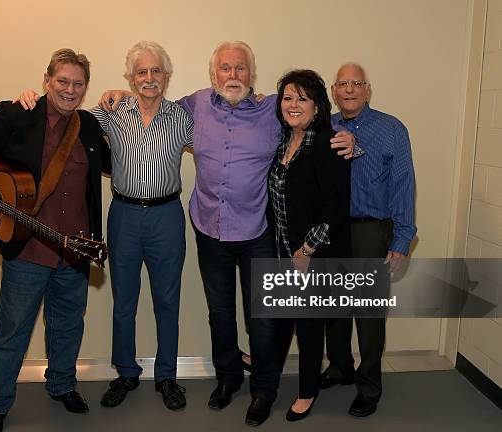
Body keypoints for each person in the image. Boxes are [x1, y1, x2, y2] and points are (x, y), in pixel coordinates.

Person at [97, 40, 355, 426]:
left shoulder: (273, 109)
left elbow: (311, 123)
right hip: (209, 229)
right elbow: (151, 100)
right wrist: (118, 93)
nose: (232, 75)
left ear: (251, 74)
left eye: (239, 68)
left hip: (257, 232)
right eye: (224, 68)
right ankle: (228, 379)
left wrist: (348, 138)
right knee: (220, 313)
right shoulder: (195, 106)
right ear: (212, 73)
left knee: (262, 317)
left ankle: (264, 390)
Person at [16, 41, 192, 411]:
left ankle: (166, 376)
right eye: (141, 72)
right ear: (130, 77)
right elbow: (62, 115)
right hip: (124, 215)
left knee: (167, 301)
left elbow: (220, 141)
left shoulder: (183, 117)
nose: (149, 78)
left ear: (167, 76)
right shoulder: (111, 111)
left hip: (167, 216)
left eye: (156, 71)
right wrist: (29, 100)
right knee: (123, 301)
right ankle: (126, 372)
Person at [0, 48, 110, 432]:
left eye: (78, 84)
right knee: (12, 330)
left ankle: (61, 385)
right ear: (47, 80)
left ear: (86, 88)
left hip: (74, 248)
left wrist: (122, 105)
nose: (69, 90)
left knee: (68, 324)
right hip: (27, 249)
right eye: (62, 81)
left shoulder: (87, 126)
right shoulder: (18, 114)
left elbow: (111, 163)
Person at [321, 62, 417, 417]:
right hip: (333, 230)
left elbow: (404, 184)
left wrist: (402, 237)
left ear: (368, 89)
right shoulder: (323, 126)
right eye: (342, 83)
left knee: (368, 313)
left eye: (356, 83)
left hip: (372, 230)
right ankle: (340, 366)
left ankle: (369, 385)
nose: (349, 89)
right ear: (333, 90)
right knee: (332, 306)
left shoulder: (392, 128)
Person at [266, 69, 351, 421]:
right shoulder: (284, 141)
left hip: (313, 255)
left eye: (302, 98)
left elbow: (336, 206)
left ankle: (307, 392)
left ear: (317, 106)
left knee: (310, 325)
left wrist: (306, 250)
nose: (294, 104)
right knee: (288, 319)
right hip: (284, 250)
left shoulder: (329, 143)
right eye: (288, 97)